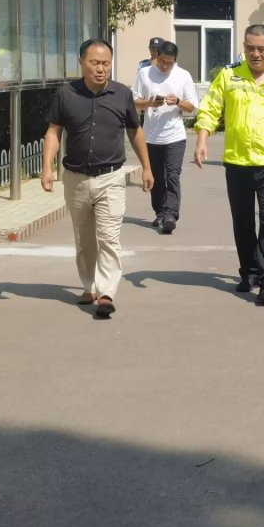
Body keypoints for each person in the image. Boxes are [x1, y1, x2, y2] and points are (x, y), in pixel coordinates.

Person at [42, 38, 154, 319]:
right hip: (76, 178)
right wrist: (47, 168)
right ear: (82, 63)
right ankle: (89, 286)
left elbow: (135, 131)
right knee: (84, 238)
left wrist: (147, 167)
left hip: (111, 178)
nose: (101, 69)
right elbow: (54, 132)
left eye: (106, 63)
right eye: (95, 63)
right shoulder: (66, 95)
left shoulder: (122, 94)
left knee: (108, 237)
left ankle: (106, 293)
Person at [194, 24, 264, 305]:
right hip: (237, 161)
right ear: (244, 47)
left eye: (261, 49)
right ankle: (250, 272)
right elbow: (210, 108)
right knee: (242, 221)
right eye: (250, 48)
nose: (256, 54)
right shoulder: (229, 76)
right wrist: (202, 138)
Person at [133, 41, 198, 234]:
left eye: (169, 63)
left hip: (175, 136)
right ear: (156, 56)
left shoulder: (183, 75)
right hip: (151, 137)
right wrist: (149, 103)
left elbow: (192, 107)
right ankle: (160, 212)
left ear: (175, 61)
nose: (164, 66)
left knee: (172, 175)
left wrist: (177, 101)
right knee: (157, 178)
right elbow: (135, 102)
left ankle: (171, 215)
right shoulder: (144, 73)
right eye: (162, 61)